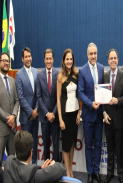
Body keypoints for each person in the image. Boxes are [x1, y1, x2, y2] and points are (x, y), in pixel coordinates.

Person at [78, 42, 104, 183]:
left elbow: (104, 90)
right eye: (91, 54)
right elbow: (80, 93)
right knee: (88, 145)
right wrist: (90, 104)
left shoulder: (101, 68)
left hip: (99, 115)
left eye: (95, 53)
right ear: (87, 55)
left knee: (98, 144)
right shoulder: (82, 71)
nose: (93, 56)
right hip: (88, 115)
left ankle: (96, 171)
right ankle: (89, 172)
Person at [103, 49, 123, 183]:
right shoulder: (105, 76)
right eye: (111, 58)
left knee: (120, 149)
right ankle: (109, 173)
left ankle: (120, 173)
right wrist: (104, 113)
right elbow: (101, 98)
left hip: (120, 120)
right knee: (110, 149)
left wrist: (118, 100)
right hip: (108, 120)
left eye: (115, 58)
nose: (113, 60)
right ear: (108, 61)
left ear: (118, 60)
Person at [0, 52, 20, 164]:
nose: (6, 63)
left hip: (12, 130)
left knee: (12, 161)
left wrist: (14, 115)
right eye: (4, 61)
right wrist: (10, 119)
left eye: (8, 61)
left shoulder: (12, 81)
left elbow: (17, 100)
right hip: (1, 129)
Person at [57, 49, 81, 177]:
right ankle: (67, 171)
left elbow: (79, 95)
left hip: (74, 115)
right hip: (65, 116)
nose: (69, 61)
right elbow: (58, 100)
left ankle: (71, 168)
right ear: (63, 61)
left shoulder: (76, 74)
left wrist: (79, 113)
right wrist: (60, 118)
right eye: (67, 59)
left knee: (72, 142)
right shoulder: (60, 77)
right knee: (66, 145)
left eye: (71, 59)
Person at [36, 48, 60, 162]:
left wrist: (53, 113)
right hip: (44, 118)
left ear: (53, 59)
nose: (49, 61)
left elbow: (58, 97)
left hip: (55, 118)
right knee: (46, 146)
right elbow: (39, 97)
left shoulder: (58, 74)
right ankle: (46, 171)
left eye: (50, 58)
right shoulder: (39, 76)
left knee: (56, 145)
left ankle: (55, 168)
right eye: (47, 59)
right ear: (44, 60)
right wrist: (47, 113)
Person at [15, 47, 39, 164]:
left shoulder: (35, 72)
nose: (28, 59)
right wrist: (31, 112)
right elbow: (21, 97)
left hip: (36, 115)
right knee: (26, 145)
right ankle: (25, 169)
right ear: (22, 59)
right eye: (26, 57)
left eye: (29, 56)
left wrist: (36, 110)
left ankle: (34, 165)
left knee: (34, 144)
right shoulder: (18, 75)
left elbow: (39, 93)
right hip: (26, 118)